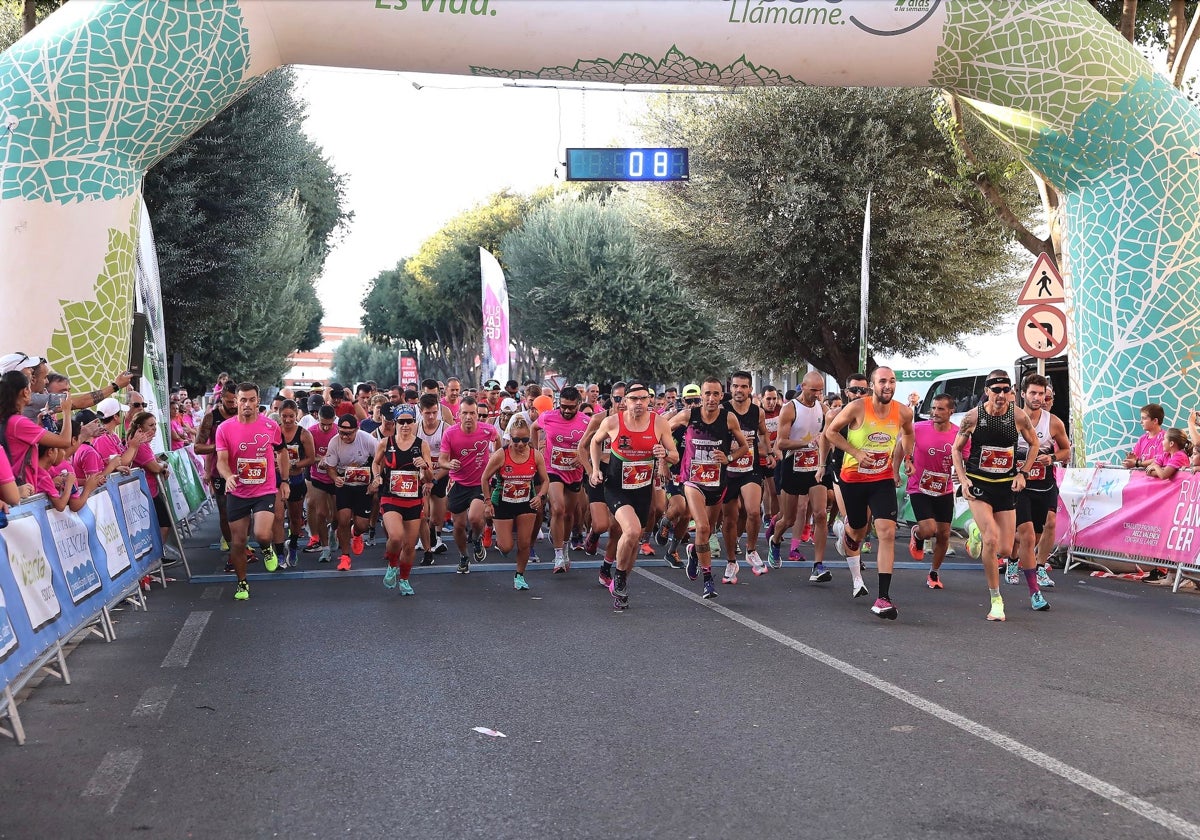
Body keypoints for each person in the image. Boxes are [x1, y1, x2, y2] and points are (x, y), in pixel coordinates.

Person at [951, 370, 1044, 622]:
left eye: (1006, 390)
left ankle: (975, 534)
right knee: (992, 540)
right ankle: (996, 599)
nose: (1002, 395)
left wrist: (1023, 473)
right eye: (996, 390)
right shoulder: (973, 417)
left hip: (1005, 486)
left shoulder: (1018, 415)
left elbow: (1034, 444)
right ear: (987, 391)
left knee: (1004, 547)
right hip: (980, 483)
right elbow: (956, 449)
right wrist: (963, 478)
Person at [824, 366, 915, 620]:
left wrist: (907, 456)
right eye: (882, 381)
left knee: (887, 531)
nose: (888, 386)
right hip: (853, 479)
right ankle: (845, 533)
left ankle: (883, 597)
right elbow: (831, 432)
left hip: (882, 479)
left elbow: (908, 434)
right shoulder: (857, 408)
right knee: (857, 530)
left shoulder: (903, 412)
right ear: (872, 386)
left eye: (892, 381)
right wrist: (855, 453)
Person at [589, 380, 679, 609]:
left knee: (634, 541)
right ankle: (617, 576)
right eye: (633, 399)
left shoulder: (659, 423)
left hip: (641, 489)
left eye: (643, 398)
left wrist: (665, 453)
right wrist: (596, 469)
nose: (639, 403)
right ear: (625, 401)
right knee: (631, 530)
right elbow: (594, 442)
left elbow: (675, 455)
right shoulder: (612, 422)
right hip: (616, 487)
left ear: (649, 400)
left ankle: (620, 585)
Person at [669, 377, 749, 599]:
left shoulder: (729, 418)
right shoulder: (688, 416)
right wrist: (667, 454)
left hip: (717, 483)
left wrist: (729, 457)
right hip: (692, 481)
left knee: (708, 530)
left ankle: (694, 550)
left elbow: (744, 447)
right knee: (702, 527)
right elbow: (664, 429)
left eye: (716, 394)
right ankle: (708, 580)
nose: (711, 398)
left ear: (722, 396)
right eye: (707, 394)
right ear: (701, 396)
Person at [216, 384, 291, 600]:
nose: (247, 404)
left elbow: (282, 452)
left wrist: (284, 480)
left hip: (264, 490)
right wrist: (228, 476)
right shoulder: (225, 429)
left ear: (258, 401)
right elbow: (221, 461)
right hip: (238, 491)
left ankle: (266, 547)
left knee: (261, 533)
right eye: (242, 400)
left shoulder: (270, 426)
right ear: (236, 402)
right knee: (238, 542)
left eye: (251, 400)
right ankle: (242, 583)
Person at [1010, 374, 1071, 589]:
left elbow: (1066, 450)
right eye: (1033, 393)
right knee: (1023, 533)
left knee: (1046, 525)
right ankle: (1013, 560)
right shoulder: (1011, 419)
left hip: (1044, 480)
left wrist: (1052, 457)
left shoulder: (1053, 422)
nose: (1038, 398)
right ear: (1023, 394)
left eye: (1041, 394)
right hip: (1018, 482)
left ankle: (1041, 566)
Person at [769, 371, 831, 582]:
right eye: (814, 390)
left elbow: (830, 434)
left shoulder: (823, 408)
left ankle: (818, 566)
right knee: (789, 518)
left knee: (821, 514)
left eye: (820, 390)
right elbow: (781, 443)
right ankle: (775, 541)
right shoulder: (790, 409)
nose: (817, 394)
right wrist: (807, 443)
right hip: (793, 466)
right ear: (803, 387)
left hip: (815, 467)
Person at [481, 415, 549, 590]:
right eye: (516, 439)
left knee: (524, 543)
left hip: (526, 502)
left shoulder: (536, 455)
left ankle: (520, 576)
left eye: (524, 440)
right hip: (502, 502)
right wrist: (488, 502)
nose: (520, 444)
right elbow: (485, 478)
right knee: (505, 547)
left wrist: (540, 496)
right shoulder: (501, 455)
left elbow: (546, 480)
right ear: (509, 438)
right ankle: (490, 528)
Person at [371, 404, 433, 595]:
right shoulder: (386, 443)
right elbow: (375, 462)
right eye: (401, 421)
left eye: (409, 421)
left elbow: (430, 478)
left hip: (413, 499)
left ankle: (404, 580)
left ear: (414, 422)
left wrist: (425, 467)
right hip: (391, 497)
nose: (405, 425)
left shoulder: (422, 445)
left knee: (409, 545)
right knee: (396, 536)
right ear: (395, 422)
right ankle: (392, 565)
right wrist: (377, 476)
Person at [721, 371, 774, 581]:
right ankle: (731, 561)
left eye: (743, 386)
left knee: (753, 512)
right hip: (727, 470)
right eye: (735, 386)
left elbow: (762, 433)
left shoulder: (757, 412)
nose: (739, 390)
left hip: (749, 468)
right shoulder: (723, 410)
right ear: (730, 388)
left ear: (750, 389)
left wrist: (769, 452)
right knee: (730, 519)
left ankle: (751, 550)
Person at [438, 395, 501, 573]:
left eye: (472, 413)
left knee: (474, 517)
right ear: (459, 414)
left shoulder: (488, 430)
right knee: (458, 526)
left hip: (480, 482)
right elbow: (442, 460)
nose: (469, 417)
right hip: (458, 483)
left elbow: (498, 444)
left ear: (477, 414)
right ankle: (464, 556)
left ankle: (477, 538)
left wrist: (496, 463)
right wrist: (449, 464)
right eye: (465, 413)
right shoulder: (450, 433)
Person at [904, 393, 960, 589]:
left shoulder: (958, 433)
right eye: (933, 408)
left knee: (944, 535)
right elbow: (903, 444)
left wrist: (961, 473)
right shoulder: (918, 428)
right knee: (928, 530)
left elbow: (964, 457)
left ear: (951, 411)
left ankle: (934, 573)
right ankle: (917, 535)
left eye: (940, 409)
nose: (935, 412)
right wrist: (907, 460)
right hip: (919, 486)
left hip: (944, 489)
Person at [533, 385, 589, 574]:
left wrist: (582, 457)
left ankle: (564, 548)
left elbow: (594, 444)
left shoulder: (587, 422)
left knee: (569, 515)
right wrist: (535, 453)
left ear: (578, 405)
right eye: (563, 406)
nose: (566, 410)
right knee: (557, 508)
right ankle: (557, 555)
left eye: (571, 407)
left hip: (574, 473)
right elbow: (534, 428)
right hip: (552, 470)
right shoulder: (549, 417)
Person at [321, 414, 379, 571]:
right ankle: (345, 556)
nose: (344, 437)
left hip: (363, 485)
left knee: (362, 525)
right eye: (341, 432)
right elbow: (330, 467)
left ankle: (357, 533)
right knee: (343, 519)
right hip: (345, 484)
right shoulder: (334, 442)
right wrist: (335, 478)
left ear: (357, 430)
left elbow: (380, 459)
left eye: (349, 433)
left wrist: (376, 480)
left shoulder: (367, 440)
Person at [0, 369, 72, 494]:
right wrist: (66, 411)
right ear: (25, 392)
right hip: (21, 490)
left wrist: (37, 425)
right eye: (29, 388)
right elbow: (65, 441)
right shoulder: (18, 422)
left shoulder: (10, 420)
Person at [277, 399, 316, 568]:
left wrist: (292, 464)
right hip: (277, 480)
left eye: (291, 416)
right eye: (284, 416)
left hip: (296, 479)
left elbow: (311, 458)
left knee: (295, 517)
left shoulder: (303, 434)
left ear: (296, 415)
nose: (287, 420)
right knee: (277, 517)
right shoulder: (274, 432)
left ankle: (292, 546)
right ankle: (278, 552)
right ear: (279, 415)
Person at [415, 393, 451, 564]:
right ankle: (428, 540)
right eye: (427, 413)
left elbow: (448, 462)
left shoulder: (445, 429)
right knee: (424, 513)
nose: (431, 416)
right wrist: (425, 477)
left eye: (434, 412)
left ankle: (433, 534)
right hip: (421, 475)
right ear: (421, 411)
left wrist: (434, 479)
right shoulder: (415, 429)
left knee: (436, 518)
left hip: (439, 475)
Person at [305, 405, 340, 562]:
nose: (326, 427)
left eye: (329, 424)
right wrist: (321, 459)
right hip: (318, 477)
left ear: (334, 419)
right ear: (317, 418)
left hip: (335, 477)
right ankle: (325, 549)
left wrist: (328, 460)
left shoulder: (339, 431)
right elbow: (309, 457)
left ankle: (333, 530)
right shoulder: (310, 432)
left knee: (337, 515)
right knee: (320, 513)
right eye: (322, 423)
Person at [1123, 403, 1165, 469]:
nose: (1140, 422)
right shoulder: (1142, 438)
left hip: (1156, 478)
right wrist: (1131, 459)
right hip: (1140, 477)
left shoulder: (1164, 438)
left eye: (1144, 418)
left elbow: (1160, 459)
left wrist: (1137, 463)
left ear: (1155, 421)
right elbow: (1135, 459)